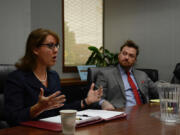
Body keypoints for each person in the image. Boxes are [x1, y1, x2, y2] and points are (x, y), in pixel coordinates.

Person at [4, 28, 103, 126]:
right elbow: (12, 118)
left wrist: (86, 102)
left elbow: (59, 109)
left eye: (56, 45)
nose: (55, 50)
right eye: (50, 46)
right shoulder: (17, 78)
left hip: (53, 129)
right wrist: (37, 108)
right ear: (35, 49)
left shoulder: (53, 76)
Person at [96, 40, 158, 110]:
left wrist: (168, 88)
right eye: (124, 53)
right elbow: (96, 97)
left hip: (143, 113)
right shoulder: (106, 75)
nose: (126, 57)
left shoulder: (142, 75)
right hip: (120, 113)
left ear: (135, 60)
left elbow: (157, 91)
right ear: (119, 55)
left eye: (131, 56)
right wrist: (103, 103)